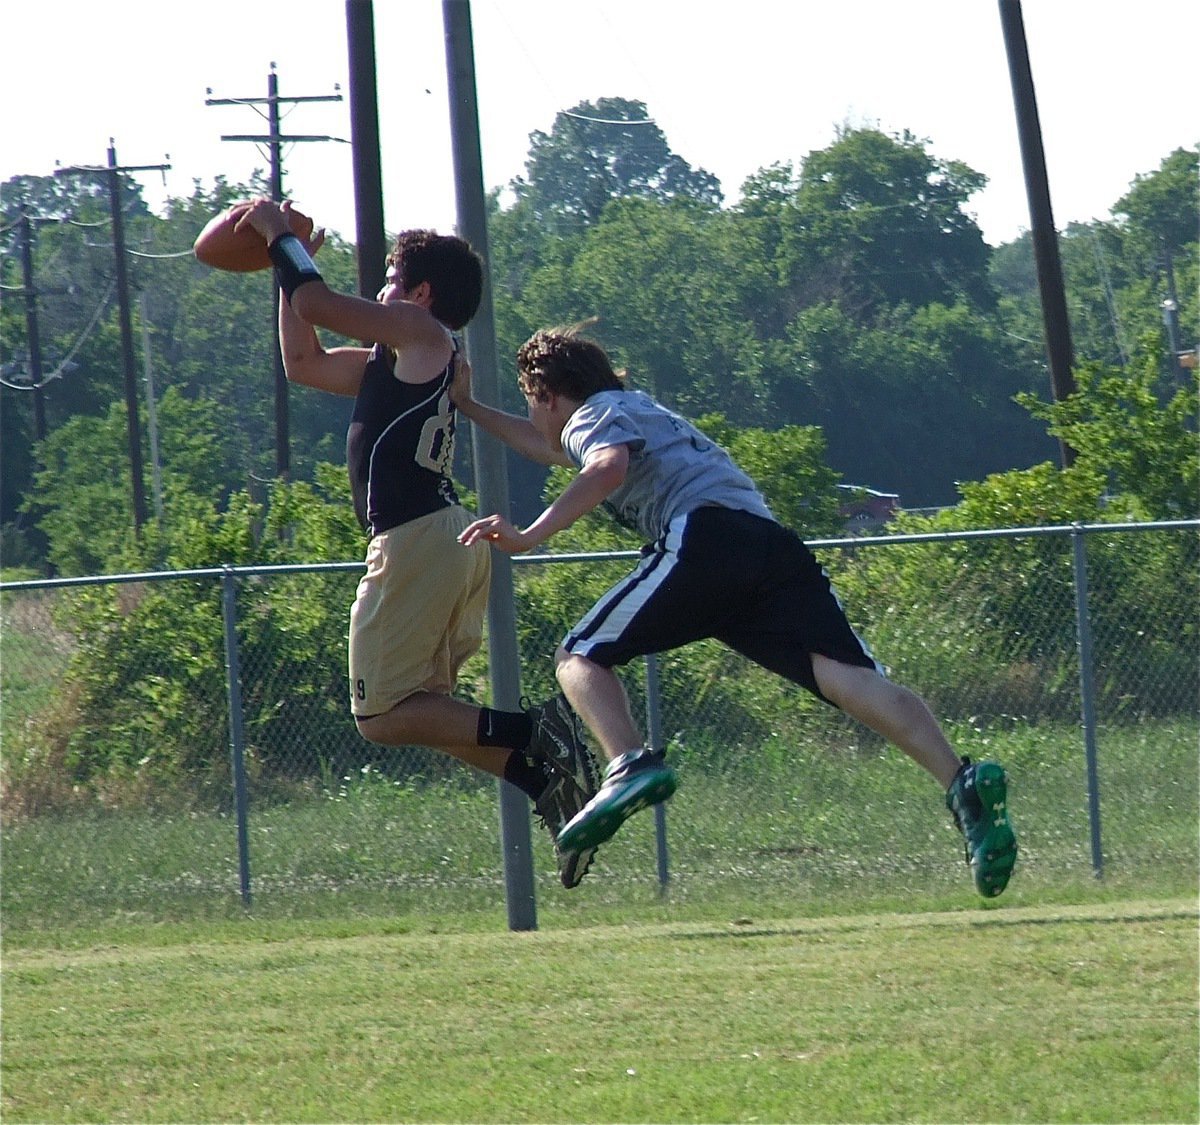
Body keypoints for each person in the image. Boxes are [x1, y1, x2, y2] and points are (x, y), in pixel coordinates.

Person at [450, 324, 1018, 898]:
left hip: (706, 537)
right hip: (768, 545)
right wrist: (469, 406)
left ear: (547, 393)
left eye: (531, 402)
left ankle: (627, 764)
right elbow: (545, 445)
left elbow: (605, 469)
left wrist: (528, 535)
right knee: (847, 678)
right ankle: (960, 781)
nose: (536, 418)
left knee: (579, 656)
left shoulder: (593, 414)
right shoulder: (633, 408)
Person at [232, 200, 600, 888]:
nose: (383, 288)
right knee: (433, 716)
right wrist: (276, 264)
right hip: (439, 538)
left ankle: (539, 732)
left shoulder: (418, 329)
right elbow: (303, 360)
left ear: (421, 292)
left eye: (393, 275)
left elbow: (314, 298)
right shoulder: (396, 358)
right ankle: (548, 785)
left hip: (417, 539)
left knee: (381, 716)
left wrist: (284, 239)